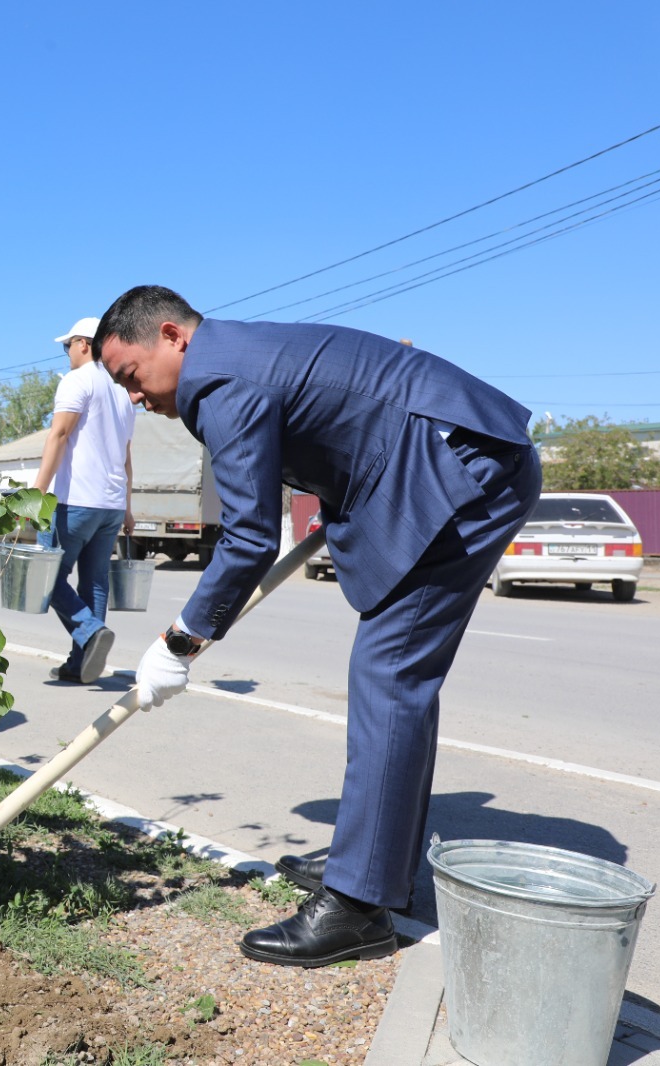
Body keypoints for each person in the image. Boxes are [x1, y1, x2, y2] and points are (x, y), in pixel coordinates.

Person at [95, 285, 541, 969]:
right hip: (458, 458)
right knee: (392, 678)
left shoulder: (218, 380)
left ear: (172, 336)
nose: (134, 396)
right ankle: (370, 863)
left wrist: (179, 640)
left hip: (463, 474)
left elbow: (249, 538)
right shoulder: (239, 354)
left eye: (131, 375)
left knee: (390, 674)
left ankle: (358, 907)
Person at [30, 316, 136, 684]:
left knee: (46, 579)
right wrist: (127, 508)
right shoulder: (122, 391)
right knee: (94, 583)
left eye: (68, 346)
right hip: (110, 506)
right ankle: (80, 665)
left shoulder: (77, 380)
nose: (67, 353)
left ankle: (91, 631)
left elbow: (59, 435)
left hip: (74, 501)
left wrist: (36, 494)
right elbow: (126, 456)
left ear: (84, 344)